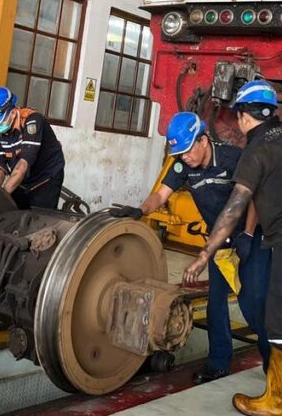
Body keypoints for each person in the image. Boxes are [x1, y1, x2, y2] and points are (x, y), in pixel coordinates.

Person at [182, 80, 282, 416]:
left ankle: (276, 401)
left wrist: (205, 254)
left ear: (243, 117)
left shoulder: (255, 151)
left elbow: (234, 208)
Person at [115, 111, 270, 383]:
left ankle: (275, 365)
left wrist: (247, 234)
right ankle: (218, 363)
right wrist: (141, 210)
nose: (184, 157)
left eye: (187, 150)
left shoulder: (234, 158)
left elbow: (255, 196)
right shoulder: (182, 165)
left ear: (203, 140)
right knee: (216, 304)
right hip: (219, 243)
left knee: (254, 304)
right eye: (180, 153)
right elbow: (161, 195)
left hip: (249, 240)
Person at [0, 86, 65, 210]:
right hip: (21, 178)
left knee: (39, 217)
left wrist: (1, 197)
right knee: (11, 212)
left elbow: (24, 164)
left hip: (46, 176)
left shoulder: (32, 120)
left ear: (12, 112)